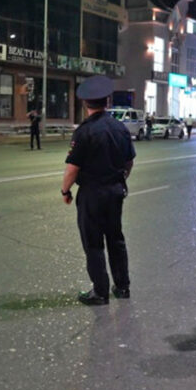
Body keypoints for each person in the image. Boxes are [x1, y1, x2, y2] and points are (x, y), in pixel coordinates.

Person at [61, 75, 136, 305]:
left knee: (93, 243)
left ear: (85, 103)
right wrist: (120, 179)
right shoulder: (120, 128)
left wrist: (65, 191)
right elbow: (129, 161)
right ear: (107, 101)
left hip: (92, 194)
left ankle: (100, 292)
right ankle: (122, 287)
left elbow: (73, 168)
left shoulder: (85, 131)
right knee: (116, 239)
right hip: (115, 192)